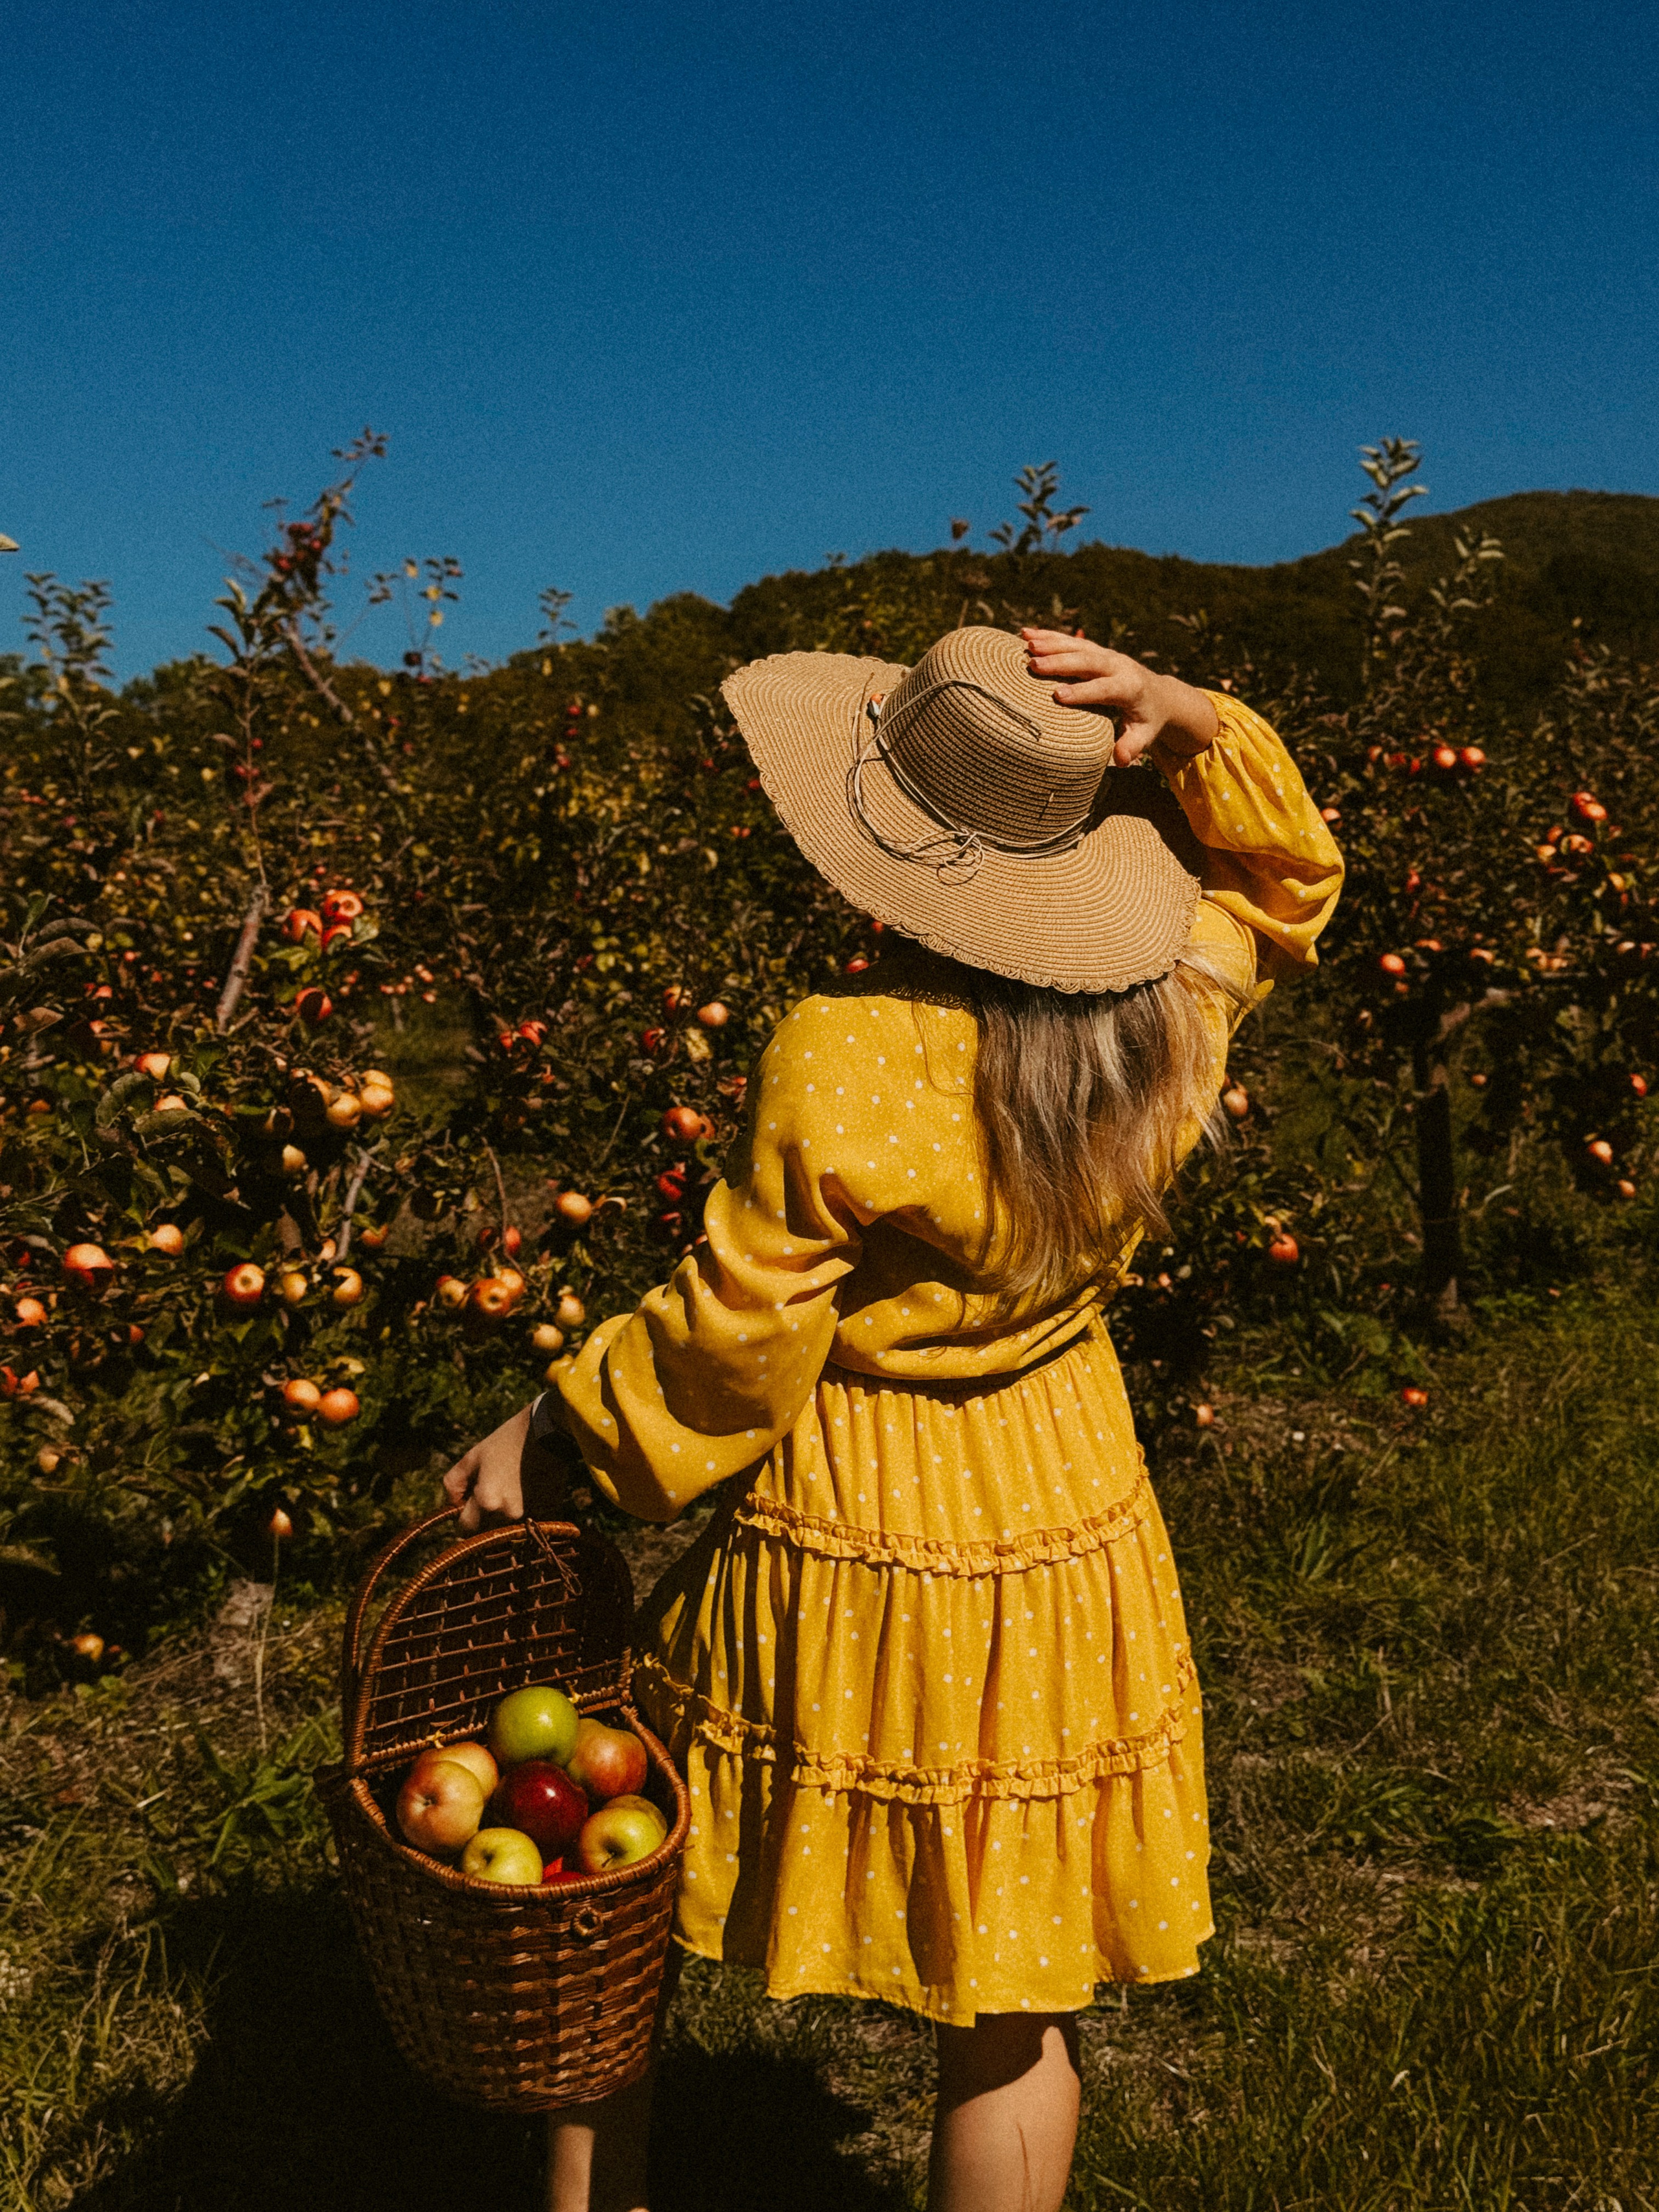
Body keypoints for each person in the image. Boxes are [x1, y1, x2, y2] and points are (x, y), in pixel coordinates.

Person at [443, 624, 1343, 2212]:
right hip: (1062, 1511)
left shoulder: (844, 1052)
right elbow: (1287, 880)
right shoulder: (1177, 1008)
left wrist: (557, 1425)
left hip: (848, 1529)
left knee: (617, 1899)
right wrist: (1189, 714)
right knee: (1014, 1994)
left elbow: (733, 1346)